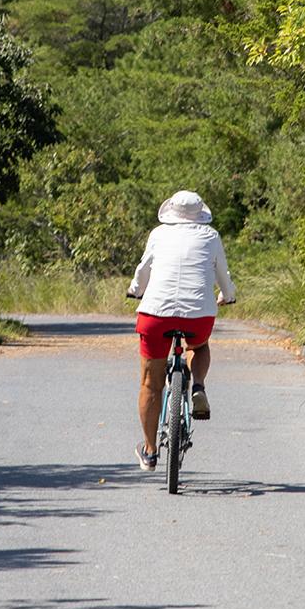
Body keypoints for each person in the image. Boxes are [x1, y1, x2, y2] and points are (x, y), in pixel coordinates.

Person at [126, 189, 237, 470]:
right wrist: (228, 295)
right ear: (200, 214)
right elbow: (222, 273)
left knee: (150, 384)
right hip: (198, 316)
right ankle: (198, 386)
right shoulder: (211, 236)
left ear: (171, 213)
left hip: (155, 315)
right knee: (198, 345)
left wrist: (135, 290)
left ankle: (150, 451)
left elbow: (144, 269)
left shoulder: (158, 234)